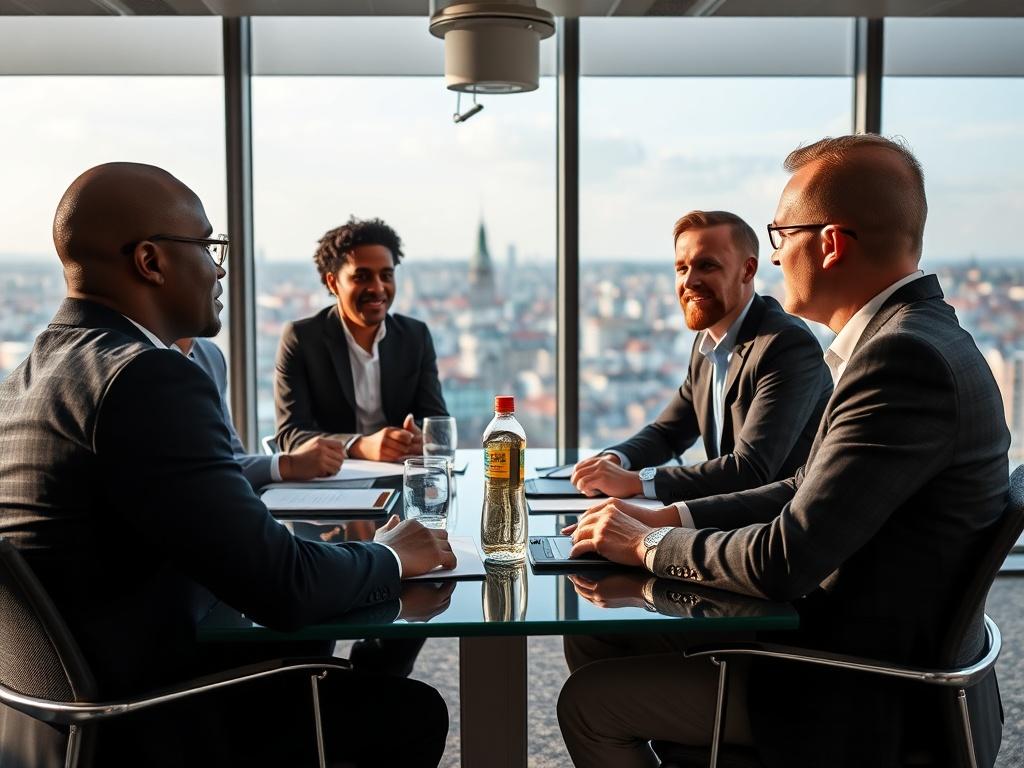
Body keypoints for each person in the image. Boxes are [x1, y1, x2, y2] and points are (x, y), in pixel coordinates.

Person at [558, 135, 1009, 767]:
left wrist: (643, 545)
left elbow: (784, 558)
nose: (774, 259)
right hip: (866, 638)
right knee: (605, 643)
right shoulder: (918, 337)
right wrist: (666, 518)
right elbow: (802, 485)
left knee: (589, 701)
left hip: (855, 679)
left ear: (828, 244)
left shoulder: (901, 358)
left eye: (780, 235)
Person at [0, 162, 455, 767]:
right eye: (210, 247)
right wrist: (394, 553)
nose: (219, 269)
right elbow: (283, 586)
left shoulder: (35, 371)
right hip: (154, 714)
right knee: (407, 712)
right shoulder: (147, 378)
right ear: (151, 262)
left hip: (55, 713)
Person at [570, 210, 832, 502]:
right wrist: (614, 461)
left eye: (707, 266)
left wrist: (636, 481)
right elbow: (668, 433)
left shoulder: (785, 345)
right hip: (729, 521)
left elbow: (750, 470)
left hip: (776, 530)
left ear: (747, 270)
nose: (689, 280)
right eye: (681, 268)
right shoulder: (707, 342)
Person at [274, 216, 448, 461]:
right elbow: (290, 434)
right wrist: (358, 446)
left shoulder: (415, 336)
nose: (377, 288)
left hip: (401, 476)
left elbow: (436, 422)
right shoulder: (302, 339)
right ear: (332, 282)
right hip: (331, 481)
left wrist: (421, 436)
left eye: (386, 276)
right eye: (362, 277)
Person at [175, 336, 346, 488]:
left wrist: (289, 464)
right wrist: (288, 465)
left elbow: (232, 458)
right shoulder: (151, 362)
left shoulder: (210, 355)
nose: (218, 297)